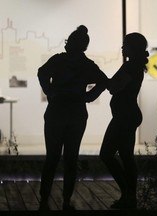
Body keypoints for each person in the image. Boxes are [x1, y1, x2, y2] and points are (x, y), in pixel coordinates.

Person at [37, 25, 108, 211]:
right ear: (84, 46)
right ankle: (66, 201)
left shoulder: (58, 61)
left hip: (56, 112)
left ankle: (44, 200)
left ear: (70, 44)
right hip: (77, 113)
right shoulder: (87, 65)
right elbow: (103, 81)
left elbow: (42, 73)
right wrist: (88, 97)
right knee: (71, 158)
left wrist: (50, 91)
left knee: (52, 158)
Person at [99, 32, 149, 209]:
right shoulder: (135, 66)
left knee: (106, 154)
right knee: (126, 156)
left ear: (132, 47)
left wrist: (101, 80)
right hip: (128, 115)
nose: (122, 47)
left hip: (124, 116)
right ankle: (129, 196)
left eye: (125, 44)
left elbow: (115, 87)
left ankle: (128, 192)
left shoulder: (130, 67)